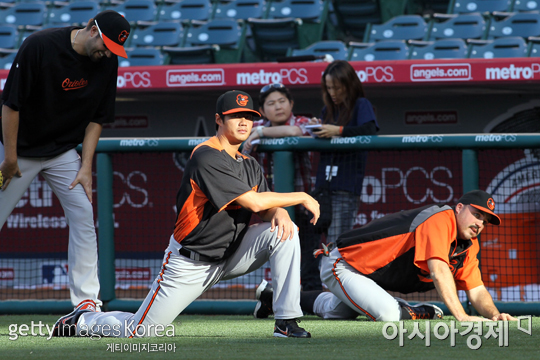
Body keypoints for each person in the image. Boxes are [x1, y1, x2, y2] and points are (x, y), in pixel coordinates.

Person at [52, 90, 320, 339]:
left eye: (249, 117)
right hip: (191, 263)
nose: (243, 121)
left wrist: (279, 211)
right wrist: (302, 197)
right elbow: (252, 201)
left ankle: (285, 321)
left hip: (231, 254)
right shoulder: (206, 155)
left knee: (286, 231)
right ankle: (84, 320)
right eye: (235, 116)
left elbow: (264, 208)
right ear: (218, 119)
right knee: (140, 332)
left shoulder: (249, 163)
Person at [0, 11, 131, 309]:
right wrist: (8, 158)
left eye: (114, 49)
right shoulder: (39, 45)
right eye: (106, 45)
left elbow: (98, 118)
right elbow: (10, 105)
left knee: (84, 217)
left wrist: (85, 167)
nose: (108, 53)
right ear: (92, 29)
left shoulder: (107, 61)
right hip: (15, 152)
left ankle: (86, 303)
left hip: (61, 153)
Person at [255, 190, 518, 322]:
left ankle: (271, 296)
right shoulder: (442, 218)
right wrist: (461, 315)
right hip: (344, 262)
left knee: (335, 312)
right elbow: (438, 270)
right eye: (477, 214)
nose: (480, 223)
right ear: (459, 208)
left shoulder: (468, 246)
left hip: (370, 277)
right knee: (389, 315)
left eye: (486, 221)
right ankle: (410, 310)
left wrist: (494, 315)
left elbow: (476, 289)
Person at [242, 83, 322, 293]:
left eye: (282, 101)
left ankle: (312, 299)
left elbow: (295, 130)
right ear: (262, 109)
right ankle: (281, 298)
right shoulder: (254, 124)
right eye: (271, 103)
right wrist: (256, 131)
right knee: (281, 254)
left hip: (302, 205)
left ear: (291, 103)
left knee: (309, 257)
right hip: (274, 207)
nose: (278, 107)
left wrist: (260, 132)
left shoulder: (302, 121)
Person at [312, 60, 380, 246]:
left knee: (337, 244)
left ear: (348, 85)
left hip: (345, 186)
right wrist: (317, 128)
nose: (333, 93)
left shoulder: (361, 104)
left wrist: (339, 130)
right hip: (322, 188)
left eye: (337, 88)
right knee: (314, 242)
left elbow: (369, 129)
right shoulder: (328, 109)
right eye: (329, 88)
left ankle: (335, 276)